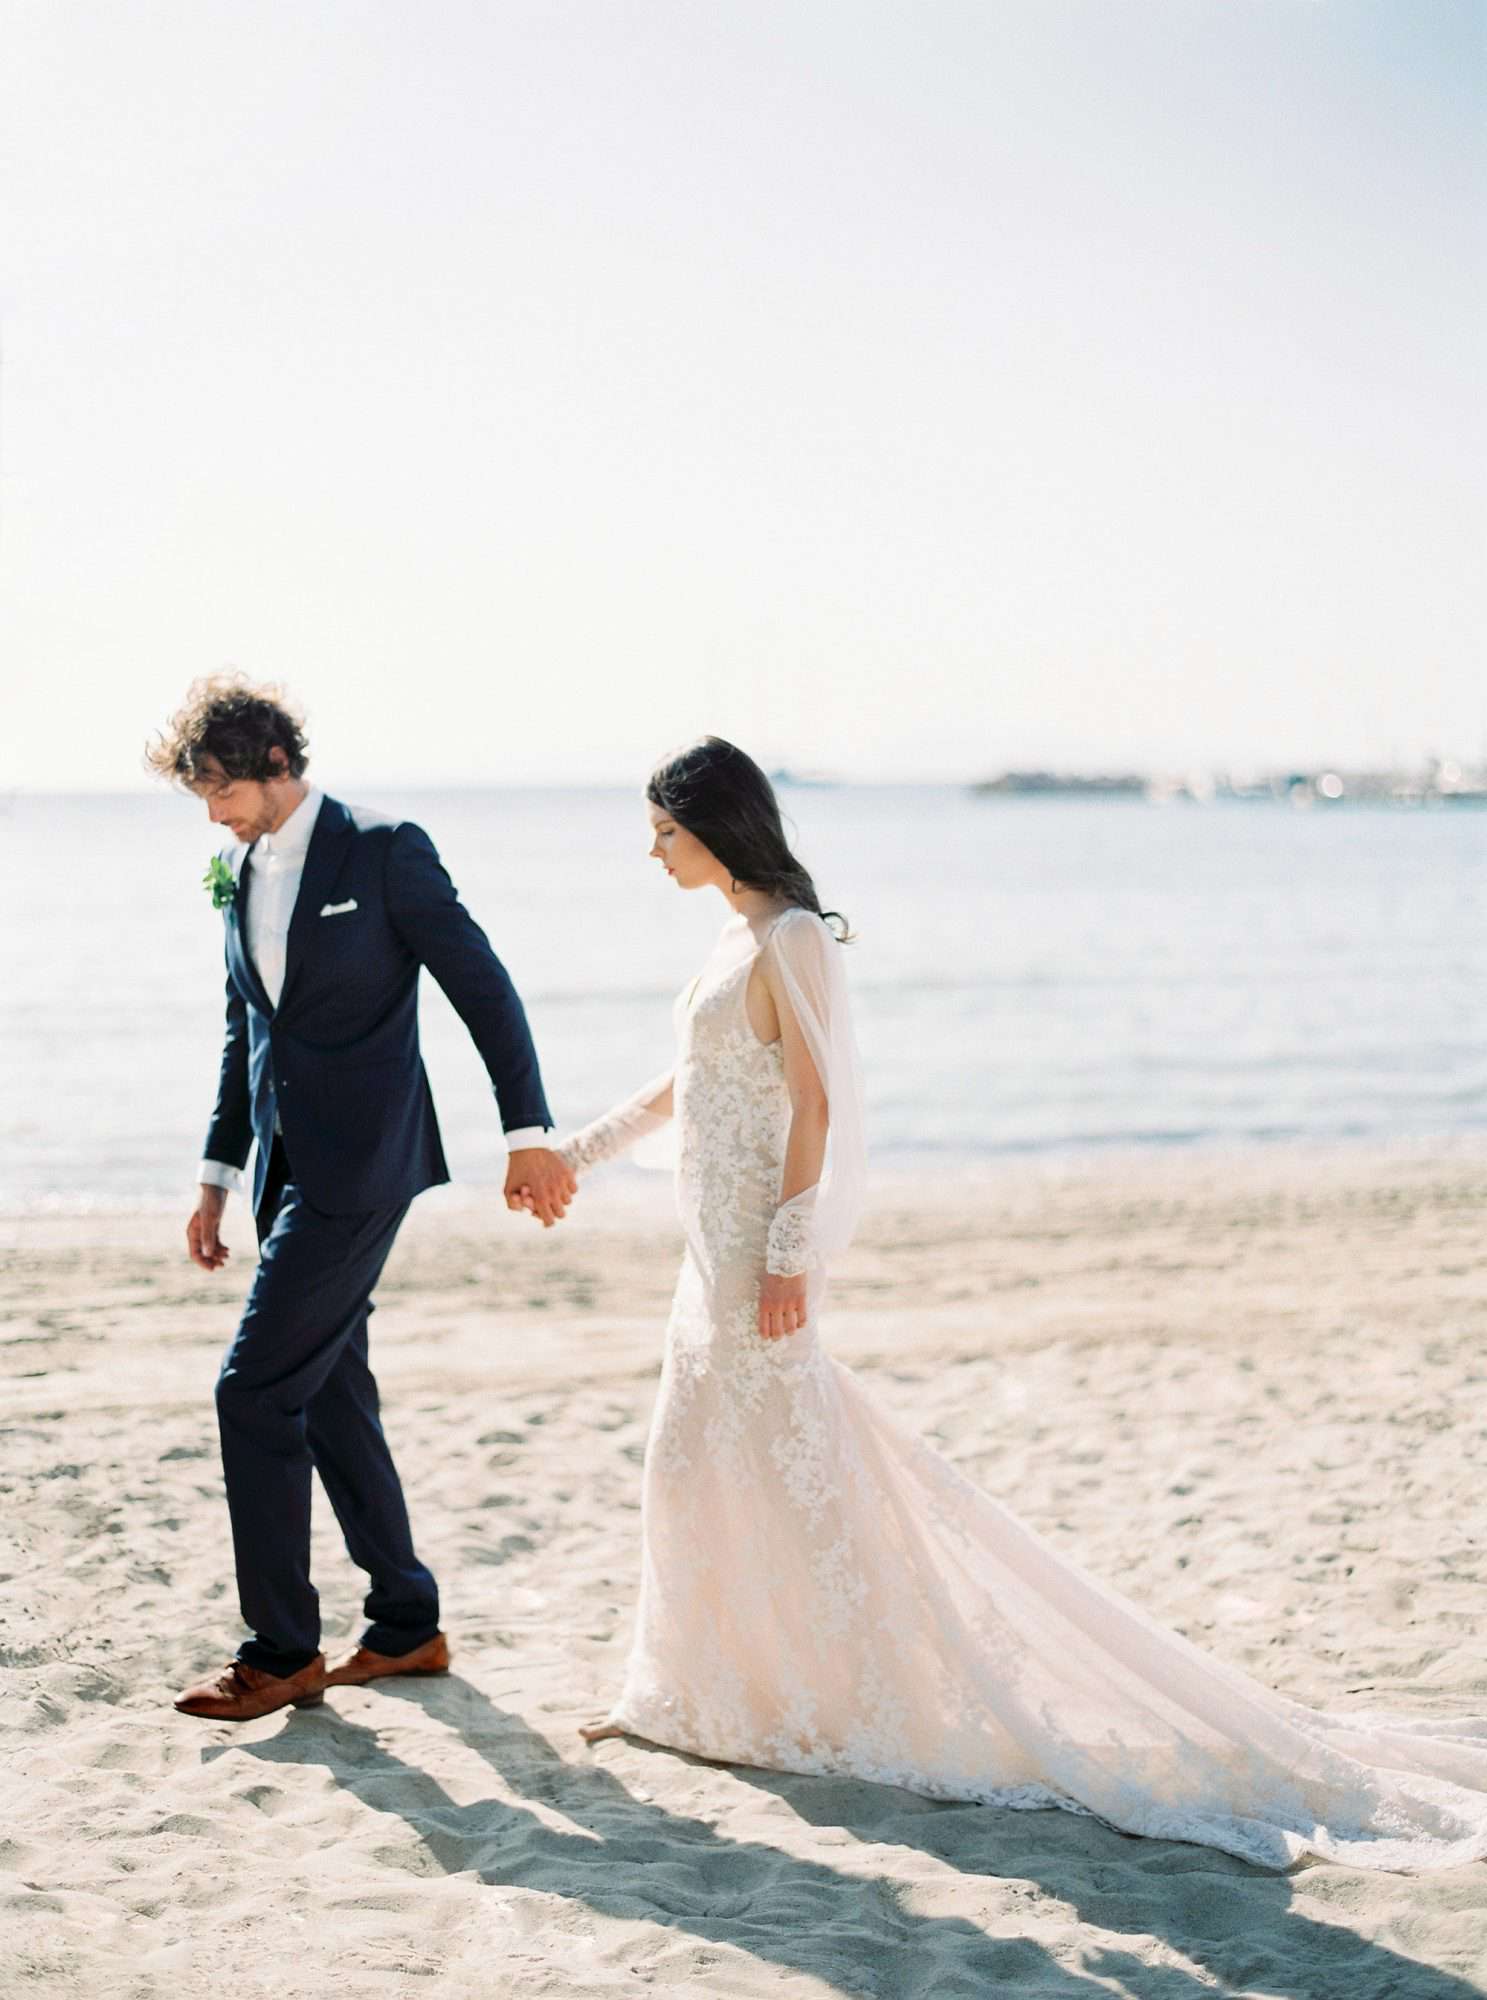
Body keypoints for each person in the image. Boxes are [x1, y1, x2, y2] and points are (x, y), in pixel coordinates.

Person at [552, 734, 1487, 1872]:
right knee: (701, 1468)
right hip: (705, 1259)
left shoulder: (793, 936)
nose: (651, 852)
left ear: (718, 826)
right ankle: (696, 1689)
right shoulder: (730, 937)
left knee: (757, 1468)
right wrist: (580, 1149)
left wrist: (790, 1254)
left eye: (665, 832)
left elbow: (814, 1104)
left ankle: (784, 1691)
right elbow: (694, 1079)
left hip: (756, 1255)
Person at [149, 675, 575, 1721]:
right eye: (201, 794)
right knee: (329, 1387)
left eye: (222, 789)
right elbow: (245, 1029)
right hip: (284, 1173)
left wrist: (527, 1134)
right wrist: (216, 1173)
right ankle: (404, 1622)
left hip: (365, 1166)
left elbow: (484, 986)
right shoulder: (237, 867)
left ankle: (283, 1648)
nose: (212, 811)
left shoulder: (384, 850)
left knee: (251, 1390)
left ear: (278, 765)